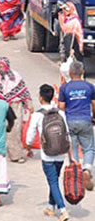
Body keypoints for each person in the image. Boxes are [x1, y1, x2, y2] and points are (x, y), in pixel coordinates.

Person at [26, 84, 71, 221]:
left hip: (47, 153)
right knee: (54, 180)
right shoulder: (60, 113)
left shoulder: (37, 115)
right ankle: (51, 207)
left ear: (40, 97)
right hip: (61, 153)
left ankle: (63, 210)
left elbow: (30, 135)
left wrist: (28, 147)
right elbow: (67, 133)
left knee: (52, 181)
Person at [58, 60, 95, 189]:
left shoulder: (65, 88)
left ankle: (77, 170)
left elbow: (61, 106)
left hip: (70, 120)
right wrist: (94, 116)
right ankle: (87, 169)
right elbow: (94, 103)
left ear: (70, 73)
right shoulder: (89, 86)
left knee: (72, 147)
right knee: (89, 147)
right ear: (82, 72)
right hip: (85, 119)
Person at [0, 57, 33, 163]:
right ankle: (2, 153)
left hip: (15, 105)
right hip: (1, 107)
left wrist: (29, 105)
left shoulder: (16, 77)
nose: (0, 68)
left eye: (2, 66)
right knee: (3, 130)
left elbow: (24, 91)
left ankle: (16, 155)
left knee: (15, 130)